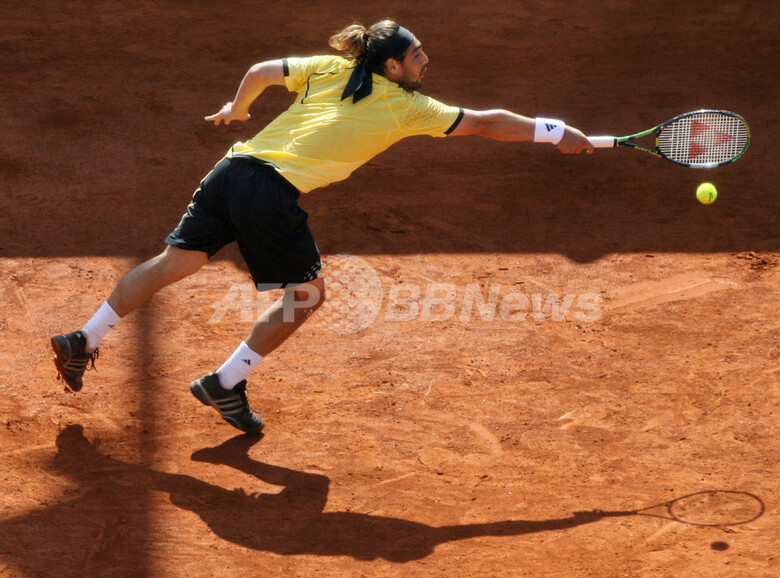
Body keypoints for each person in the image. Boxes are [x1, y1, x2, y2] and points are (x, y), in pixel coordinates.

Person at [51, 19, 594, 434]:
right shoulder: (408, 106)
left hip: (231, 170)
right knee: (308, 296)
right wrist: (557, 131)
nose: (426, 59)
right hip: (270, 191)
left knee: (175, 262)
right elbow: (486, 122)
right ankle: (225, 382)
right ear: (392, 68)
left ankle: (85, 337)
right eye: (416, 55)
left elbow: (260, 72)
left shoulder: (330, 68)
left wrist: (237, 109)